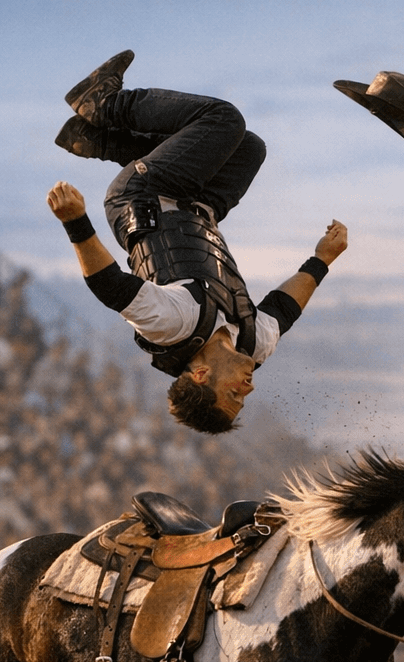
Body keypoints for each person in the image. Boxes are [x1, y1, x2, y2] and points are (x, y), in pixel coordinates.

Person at [48, 51, 348, 434]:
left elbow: (109, 286)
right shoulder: (252, 345)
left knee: (224, 121)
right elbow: (284, 309)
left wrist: (75, 221)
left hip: (143, 195)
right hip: (201, 207)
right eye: (243, 399)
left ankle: (104, 104)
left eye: (234, 396)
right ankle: (100, 141)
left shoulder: (173, 325)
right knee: (248, 148)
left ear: (201, 375)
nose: (248, 389)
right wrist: (322, 259)